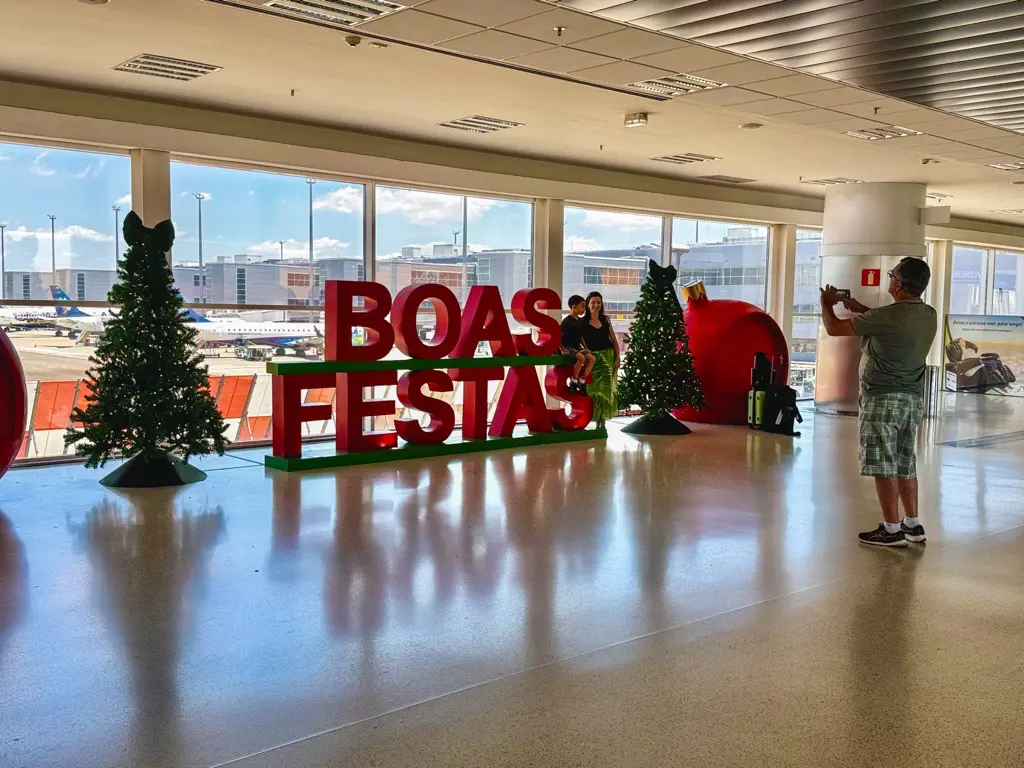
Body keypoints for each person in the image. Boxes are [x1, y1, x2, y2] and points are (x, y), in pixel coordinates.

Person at [819, 257, 938, 548]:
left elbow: (834, 328)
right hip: (911, 399)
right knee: (905, 463)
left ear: (897, 284)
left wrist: (826, 302)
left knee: (883, 465)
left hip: (882, 398)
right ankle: (912, 525)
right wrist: (861, 310)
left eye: (891, 274)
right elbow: (892, 321)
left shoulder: (887, 316)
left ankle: (891, 529)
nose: (889, 278)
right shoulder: (928, 314)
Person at [581, 291, 621, 427]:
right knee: (593, 389)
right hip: (593, 359)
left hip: (608, 356)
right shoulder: (582, 322)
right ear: (587, 304)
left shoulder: (605, 319)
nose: (596, 305)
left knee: (607, 390)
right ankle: (593, 417)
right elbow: (582, 342)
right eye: (593, 302)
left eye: (598, 302)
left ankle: (602, 420)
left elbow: (614, 340)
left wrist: (618, 358)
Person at [560, 295, 594, 395]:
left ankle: (582, 381)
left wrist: (586, 348)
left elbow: (581, 337)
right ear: (574, 307)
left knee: (592, 359)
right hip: (568, 347)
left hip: (578, 347)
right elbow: (560, 336)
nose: (584, 309)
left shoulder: (580, 321)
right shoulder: (566, 322)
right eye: (582, 306)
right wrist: (562, 348)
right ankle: (574, 381)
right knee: (581, 358)